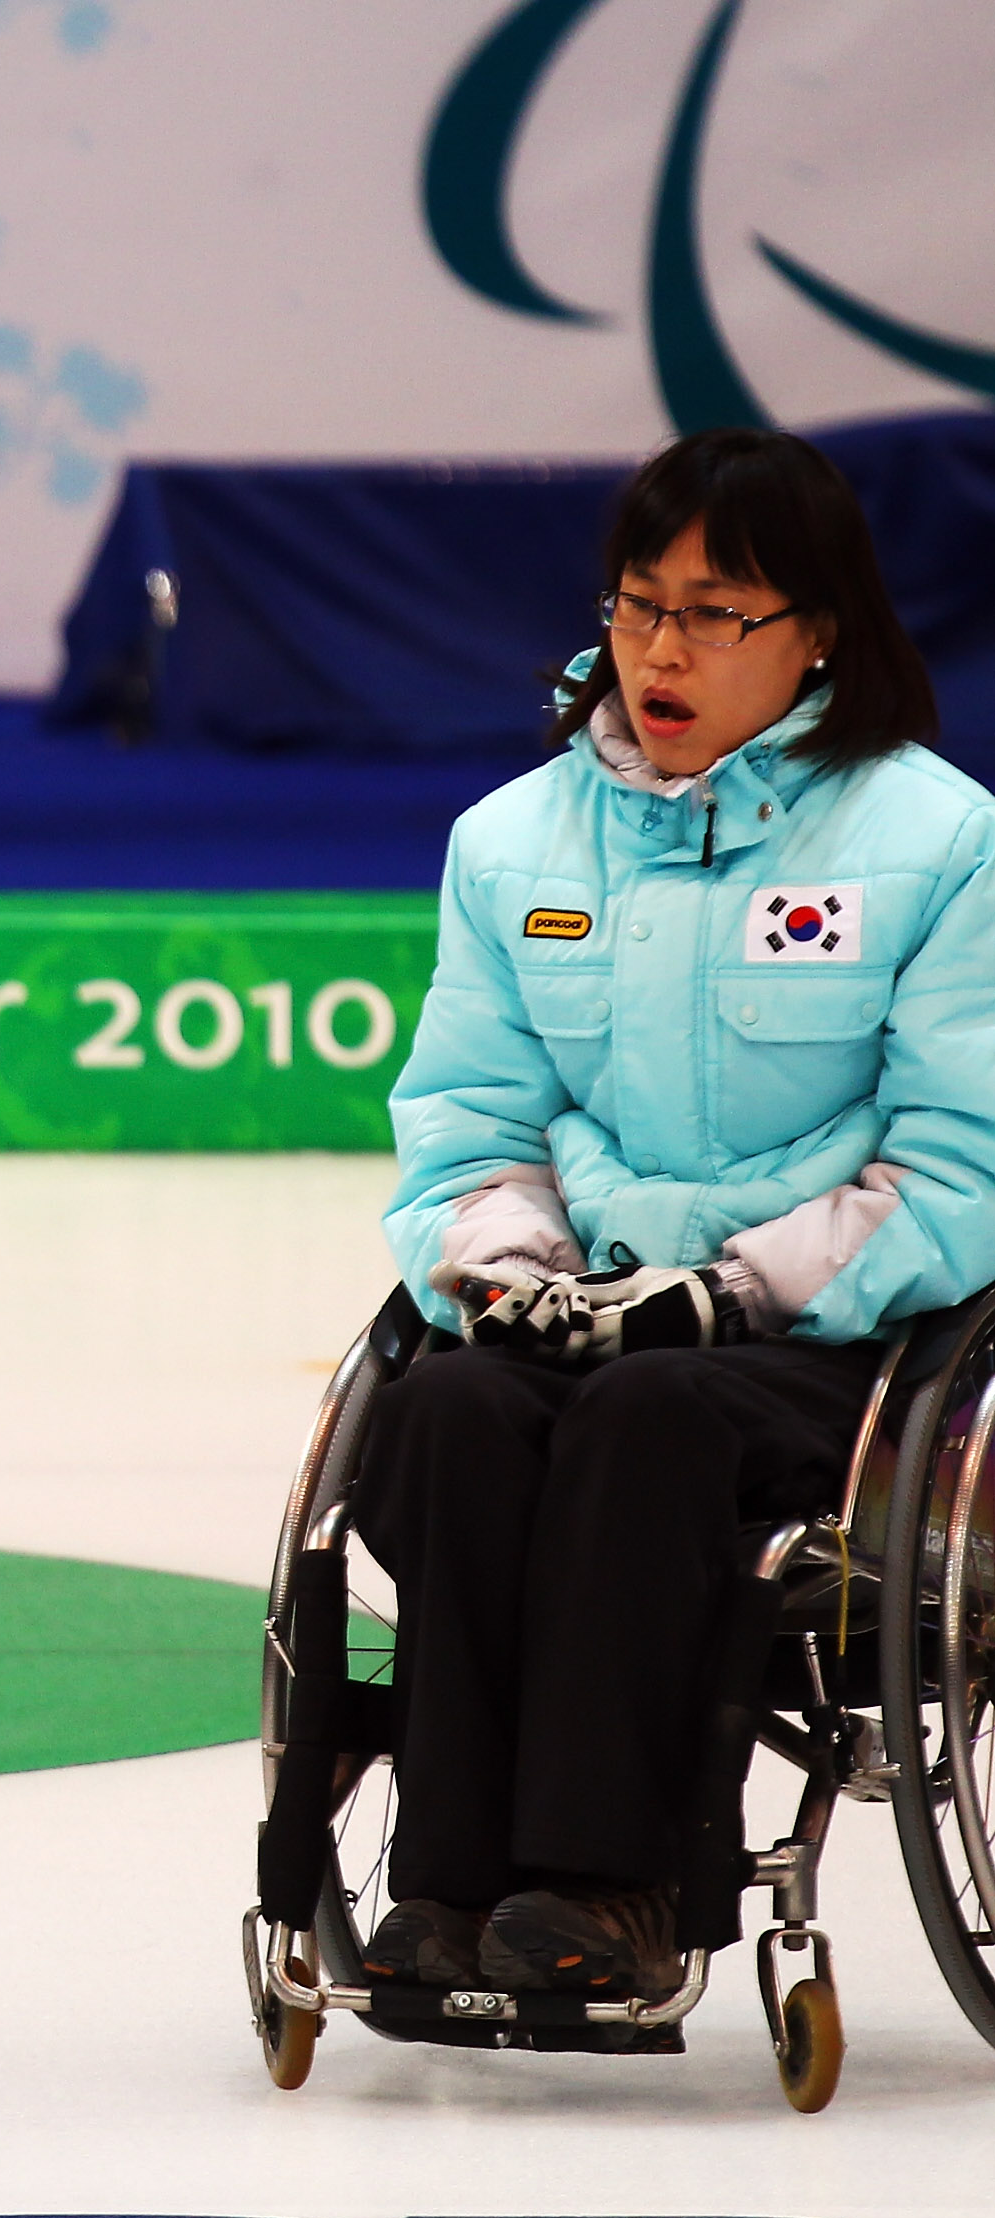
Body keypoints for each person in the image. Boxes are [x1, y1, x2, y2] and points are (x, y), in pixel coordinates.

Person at [364, 427, 995, 1998]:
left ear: (817, 632)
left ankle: (611, 1887)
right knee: (445, 1413)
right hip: (585, 1310)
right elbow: (465, 1131)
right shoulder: (511, 849)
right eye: (641, 603)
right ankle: (443, 1890)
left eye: (716, 613)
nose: (661, 647)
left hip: (835, 1347)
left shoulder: (937, 842)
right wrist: (508, 1276)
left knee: (651, 1420)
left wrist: (729, 1291)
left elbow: (962, 1165)